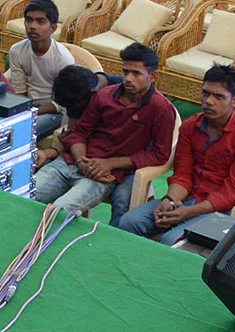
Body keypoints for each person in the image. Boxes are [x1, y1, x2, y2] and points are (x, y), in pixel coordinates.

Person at [116, 64, 235, 244]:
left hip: (223, 211)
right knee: (128, 222)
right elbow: (183, 174)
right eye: (206, 93)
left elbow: (231, 193)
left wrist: (187, 212)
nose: (209, 101)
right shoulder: (189, 127)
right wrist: (170, 200)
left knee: (171, 241)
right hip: (187, 199)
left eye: (218, 96)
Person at [33, 42, 176, 222]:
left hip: (103, 177)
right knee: (22, 195)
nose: (128, 79)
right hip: (71, 162)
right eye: (125, 72)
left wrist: (109, 163)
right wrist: (81, 161)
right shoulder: (104, 95)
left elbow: (159, 155)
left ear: (153, 76)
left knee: (59, 211)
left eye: (136, 73)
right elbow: (79, 132)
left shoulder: (161, 109)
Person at [6, 0, 76, 139]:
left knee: (19, 133)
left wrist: (32, 113)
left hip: (53, 112)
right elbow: (20, 90)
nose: (32, 26)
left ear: (53, 28)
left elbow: (64, 104)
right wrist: (22, 111)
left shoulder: (63, 59)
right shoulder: (17, 50)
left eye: (40, 21)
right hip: (26, 105)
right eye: (29, 20)